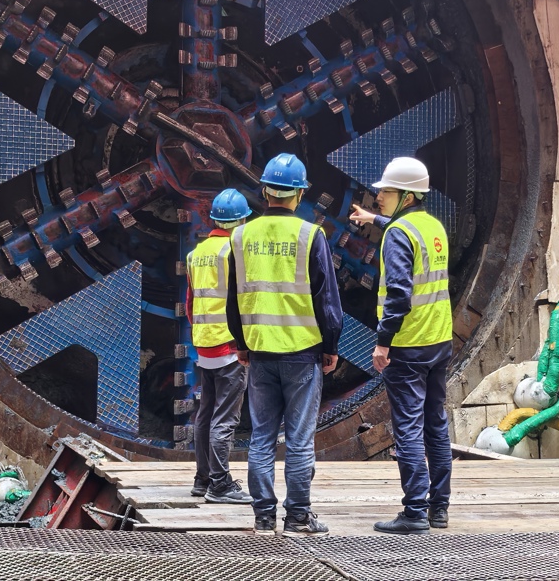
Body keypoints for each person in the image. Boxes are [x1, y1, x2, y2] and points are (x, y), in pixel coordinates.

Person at [226, 153, 342, 538]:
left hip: (259, 354)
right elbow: (327, 300)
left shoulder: (240, 237)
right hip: (302, 352)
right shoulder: (311, 235)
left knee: (260, 437)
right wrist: (331, 346)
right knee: (298, 440)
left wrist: (242, 344)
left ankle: (262, 516)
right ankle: (298, 517)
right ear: (299, 195)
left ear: (264, 191)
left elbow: (234, 299)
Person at [350, 157, 452, 535]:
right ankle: (438, 508)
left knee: (407, 428)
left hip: (407, 344)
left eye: (387, 191)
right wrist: (371, 219)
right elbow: (403, 234)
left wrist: (382, 343)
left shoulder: (397, 234)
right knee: (435, 425)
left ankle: (413, 512)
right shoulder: (431, 226)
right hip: (438, 340)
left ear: (407, 196)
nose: (379, 196)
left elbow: (398, 293)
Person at [186, 189, 253, 505]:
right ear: (239, 220)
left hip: (204, 344)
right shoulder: (236, 251)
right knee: (225, 418)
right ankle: (221, 484)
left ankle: (202, 479)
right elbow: (244, 300)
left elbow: (189, 303)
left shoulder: (195, 253)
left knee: (205, 414)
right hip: (229, 346)